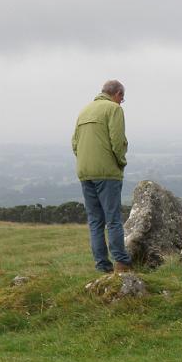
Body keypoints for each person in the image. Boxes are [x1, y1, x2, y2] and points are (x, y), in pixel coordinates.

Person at [72, 80, 133, 273]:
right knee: (113, 219)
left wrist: (85, 162)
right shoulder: (113, 109)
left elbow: (75, 143)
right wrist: (121, 161)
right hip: (107, 173)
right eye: (122, 98)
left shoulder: (84, 110)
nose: (121, 102)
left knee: (95, 221)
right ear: (116, 94)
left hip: (85, 172)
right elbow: (117, 141)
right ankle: (122, 263)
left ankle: (102, 266)